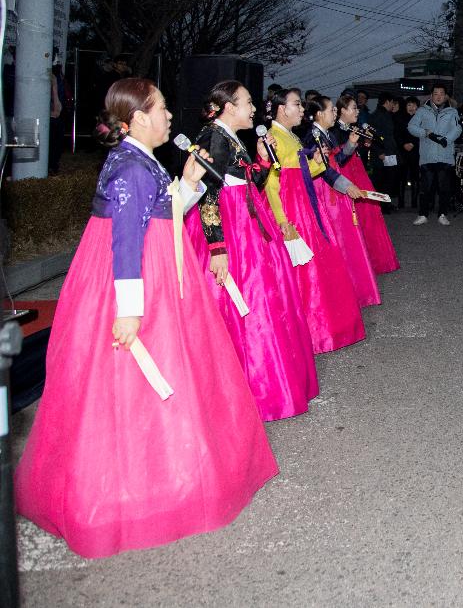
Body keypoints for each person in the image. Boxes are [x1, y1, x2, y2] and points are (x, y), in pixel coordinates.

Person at [16, 78, 278, 558]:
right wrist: (130, 311)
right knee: (125, 388)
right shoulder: (131, 167)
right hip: (138, 281)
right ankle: (137, 491)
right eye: (161, 109)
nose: (170, 117)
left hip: (156, 270)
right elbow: (126, 242)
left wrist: (193, 184)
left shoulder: (139, 160)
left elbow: (163, 213)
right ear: (137, 117)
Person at [186, 81, 318, 422]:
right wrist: (217, 247)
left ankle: (262, 383)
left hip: (247, 220)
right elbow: (207, 194)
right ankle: (243, 389)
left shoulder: (231, 136)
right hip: (230, 229)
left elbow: (247, 183)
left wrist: (261, 160)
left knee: (266, 299)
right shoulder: (211, 135)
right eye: (247, 102)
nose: (254, 109)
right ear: (229, 106)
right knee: (243, 303)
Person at [264, 87, 367, 354]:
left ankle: (319, 328)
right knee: (304, 271)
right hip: (293, 209)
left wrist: (319, 162)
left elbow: (305, 170)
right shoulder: (273, 139)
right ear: (280, 109)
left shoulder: (291, 137)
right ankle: (307, 331)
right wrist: (282, 221)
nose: (302, 110)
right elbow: (272, 185)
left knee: (318, 266)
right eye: (296, 105)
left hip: (305, 205)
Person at [306, 95, 381, 308]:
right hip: (326, 193)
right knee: (336, 238)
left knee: (345, 238)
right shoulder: (312, 137)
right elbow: (325, 171)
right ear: (320, 113)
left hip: (336, 189)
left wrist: (350, 143)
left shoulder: (326, 134)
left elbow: (337, 161)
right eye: (332, 110)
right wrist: (346, 186)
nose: (335, 114)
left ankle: (349, 288)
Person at [334, 94, 400, 274]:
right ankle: (356, 261)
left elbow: (357, 150)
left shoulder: (355, 128)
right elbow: (337, 157)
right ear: (342, 110)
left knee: (369, 212)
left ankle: (372, 258)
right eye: (353, 108)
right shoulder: (335, 130)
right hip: (344, 173)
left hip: (358, 170)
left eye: (357, 108)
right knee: (351, 216)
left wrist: (366, 144)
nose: (357, 111)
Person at [408, 84, 462, 227]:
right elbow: (411, 126)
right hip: (427, 156)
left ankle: (443, 214)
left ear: (445, 96)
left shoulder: (452, 112)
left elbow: (457, 129)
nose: (438, 96)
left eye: (441, 93)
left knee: (444, 188)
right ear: (431, 95)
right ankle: (423, 214)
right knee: (425, 188)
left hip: (445, 156)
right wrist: (424, 132)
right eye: (435, 93)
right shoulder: (422, 110)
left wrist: (446, 139)